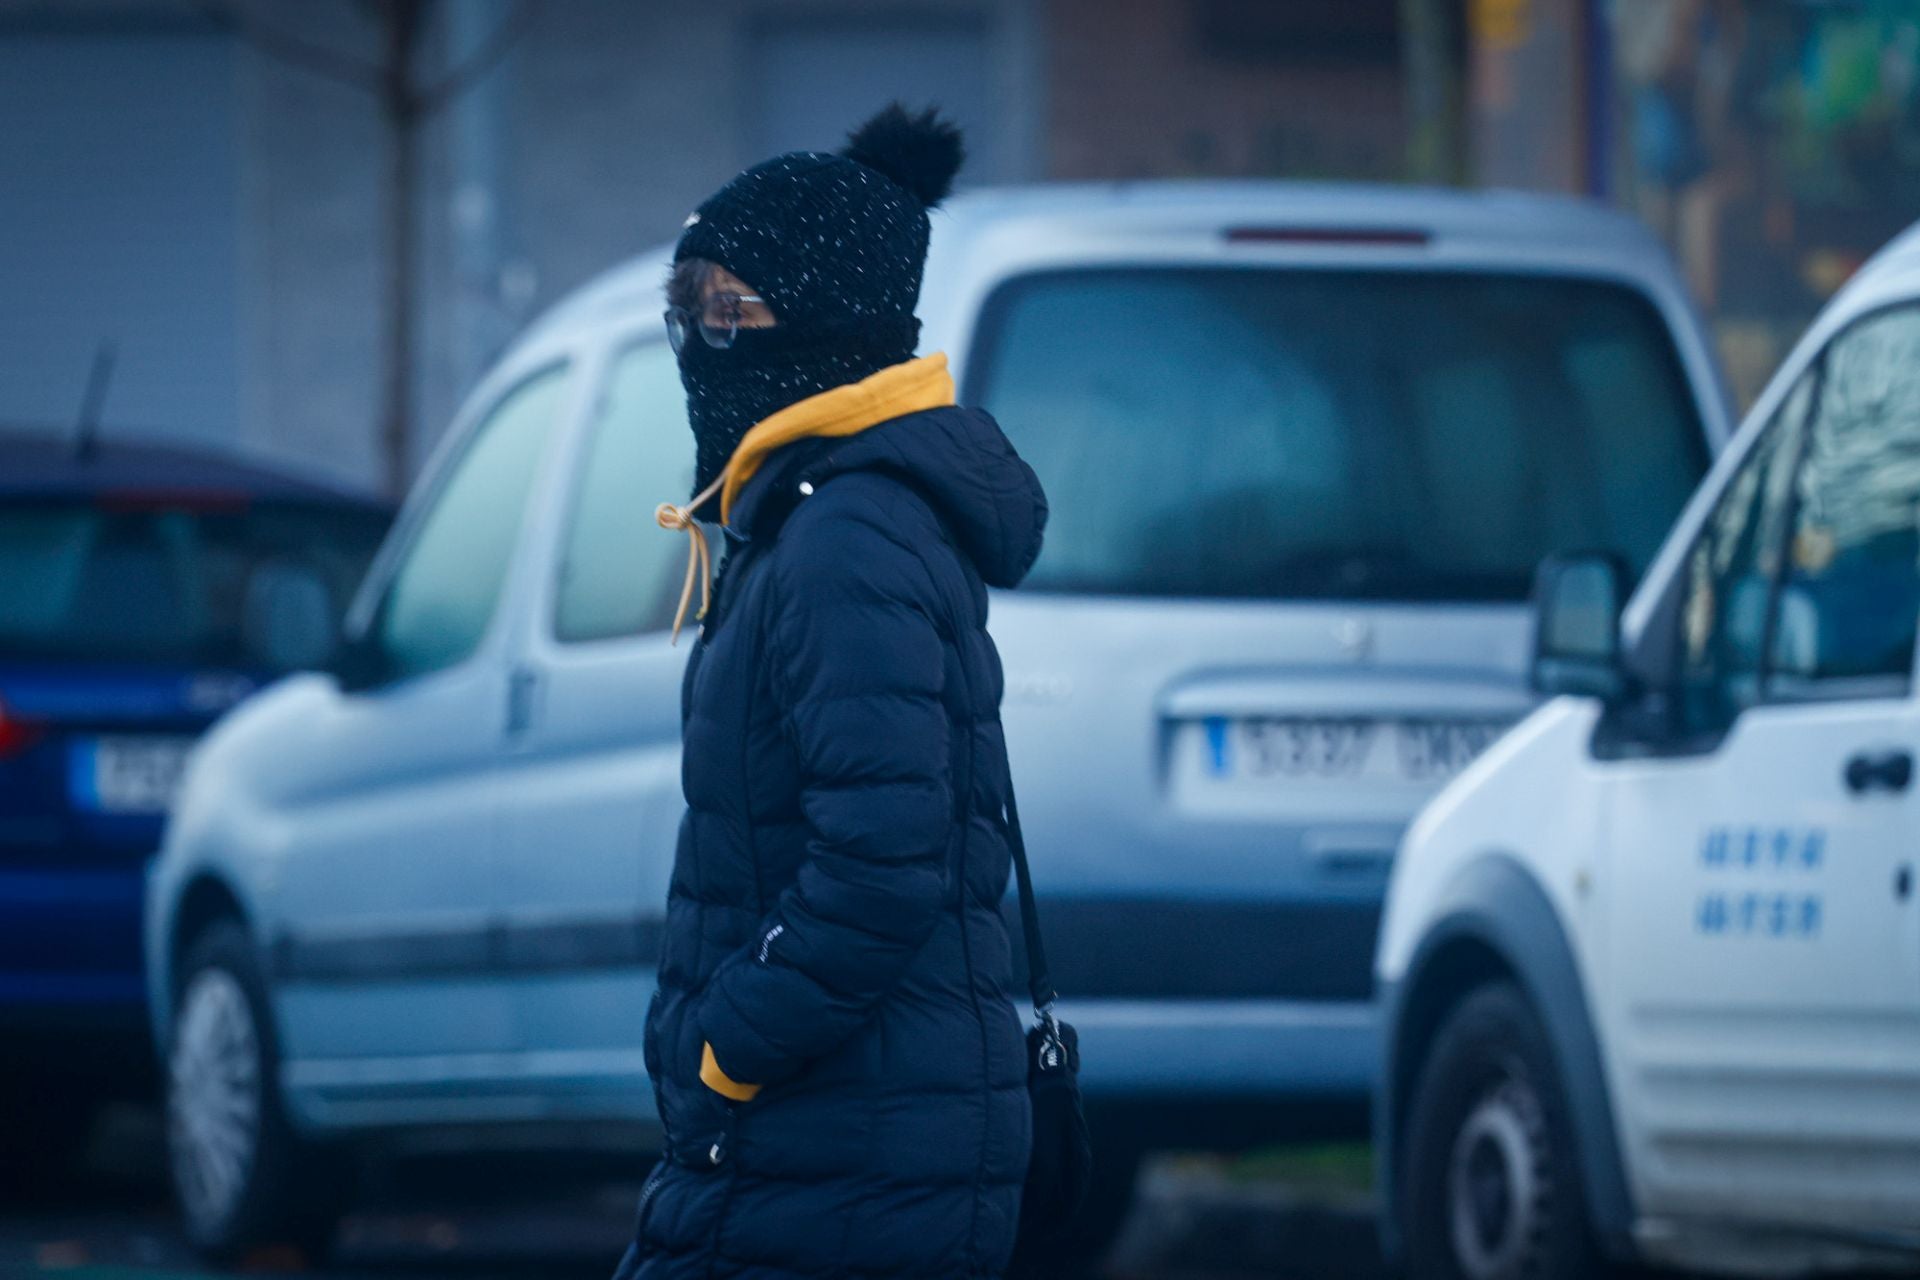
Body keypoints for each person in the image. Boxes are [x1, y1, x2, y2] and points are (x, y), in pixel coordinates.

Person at [613, 104, 1049, 1280]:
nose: (699, 341)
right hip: (826, 1141)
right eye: (685, 310)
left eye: (728, 310)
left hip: (847, 1143)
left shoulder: (845, 537)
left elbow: (882, 860)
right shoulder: (813, 517)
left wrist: (725, 1049)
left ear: (824, 322)